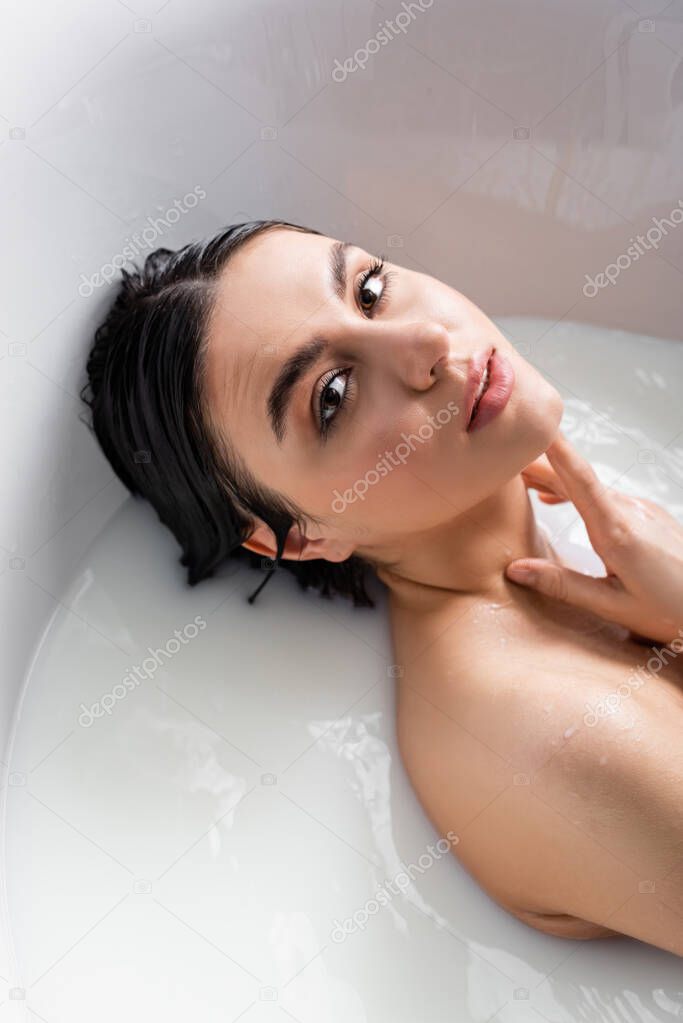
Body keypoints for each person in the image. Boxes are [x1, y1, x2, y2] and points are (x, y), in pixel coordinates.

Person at [80, 219, 683, 956]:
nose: (425, 343)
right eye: (332, 395)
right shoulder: (548, 730)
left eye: (369, 290)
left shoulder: (566, 560)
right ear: (298, 537)